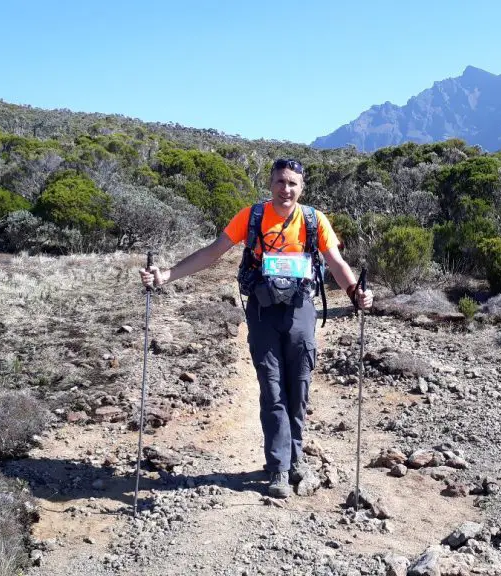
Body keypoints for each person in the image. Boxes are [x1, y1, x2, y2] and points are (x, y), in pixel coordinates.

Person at [139, 158, 374, 498]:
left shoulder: (313, 220)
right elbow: (213, 252)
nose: (286, 189)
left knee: (300, 386)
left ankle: (295, 458)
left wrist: (355, 292)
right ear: (271, 183)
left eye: (293, 183)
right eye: (280, 181)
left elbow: (336, 261)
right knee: (273, 388)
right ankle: (278, 467)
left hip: (300, 310)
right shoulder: (252, 217)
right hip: (262, 312)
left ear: (302, 186)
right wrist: (166, 276)